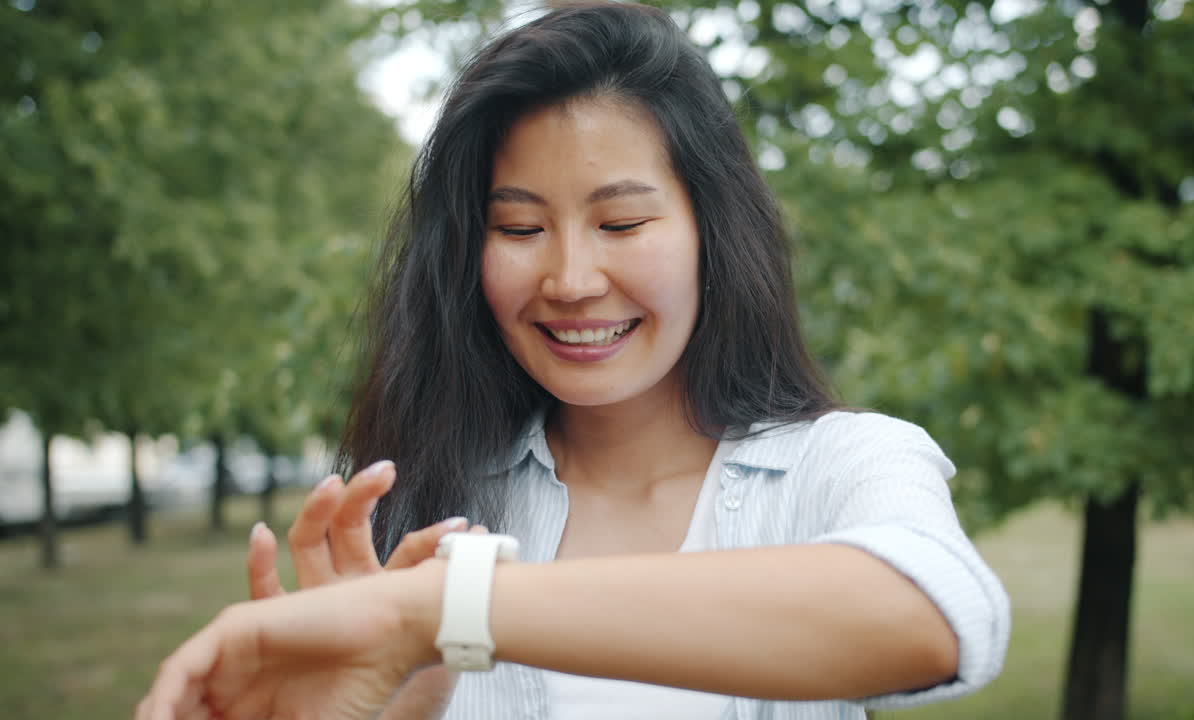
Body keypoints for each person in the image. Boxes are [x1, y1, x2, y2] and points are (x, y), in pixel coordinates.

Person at [135, 3, 1010, 719]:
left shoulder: (844, 463)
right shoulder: (430, 504)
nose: (570, 279)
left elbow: (932, 615)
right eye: (517, 228)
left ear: (714, 230)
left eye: (622, 223)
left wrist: (445, 611)